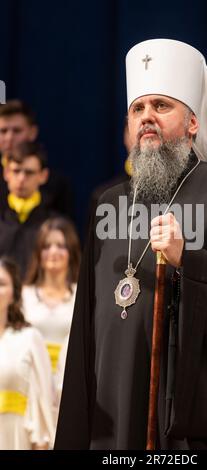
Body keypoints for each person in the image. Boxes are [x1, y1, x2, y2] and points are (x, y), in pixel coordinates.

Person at [55, 39, 207, 450]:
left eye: (161, 105)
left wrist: (188, 260)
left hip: (183, 412)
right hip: (112, 404)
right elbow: (86, 321)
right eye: (138, 109)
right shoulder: (109, 202)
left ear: (193, 123)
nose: (147, 118)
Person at [0, 256, 55, 450]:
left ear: (14, 293)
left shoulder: (30, 338)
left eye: (1, 283)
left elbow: (43, 403)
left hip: (15, 437)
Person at [23, 217, 80, 387]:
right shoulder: (24, 295)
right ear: (38, 253)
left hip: (70, 383)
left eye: (61, 246)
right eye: (46, 246)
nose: (53, 252)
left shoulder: (81, 295)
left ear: (71, 251)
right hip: (30, 383)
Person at [0, 100, 74, 218]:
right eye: (3, 131)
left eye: (17, 130)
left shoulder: (56, 184)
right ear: (6, 174)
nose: (9, 138)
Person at [0, 142, 55, 278]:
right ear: (6, 173)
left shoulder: (54, 225)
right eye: (16, 171)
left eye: (29, 172)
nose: (21, 178)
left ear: (43, 176)